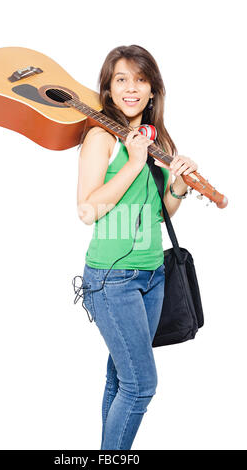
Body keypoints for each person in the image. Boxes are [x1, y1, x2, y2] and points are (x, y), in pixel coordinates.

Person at [73, 45, 198, 450]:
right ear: (108, 89)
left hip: (153, 275)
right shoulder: (100, 137)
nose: (131, 88)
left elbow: (161, 215)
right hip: (112, 280)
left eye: (140, 80)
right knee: (141, 386)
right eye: (121, 79)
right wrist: (132, 162)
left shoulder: (154, 138)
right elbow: (87, 210)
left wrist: (178, 183)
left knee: (120, 378)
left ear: (152, 89)